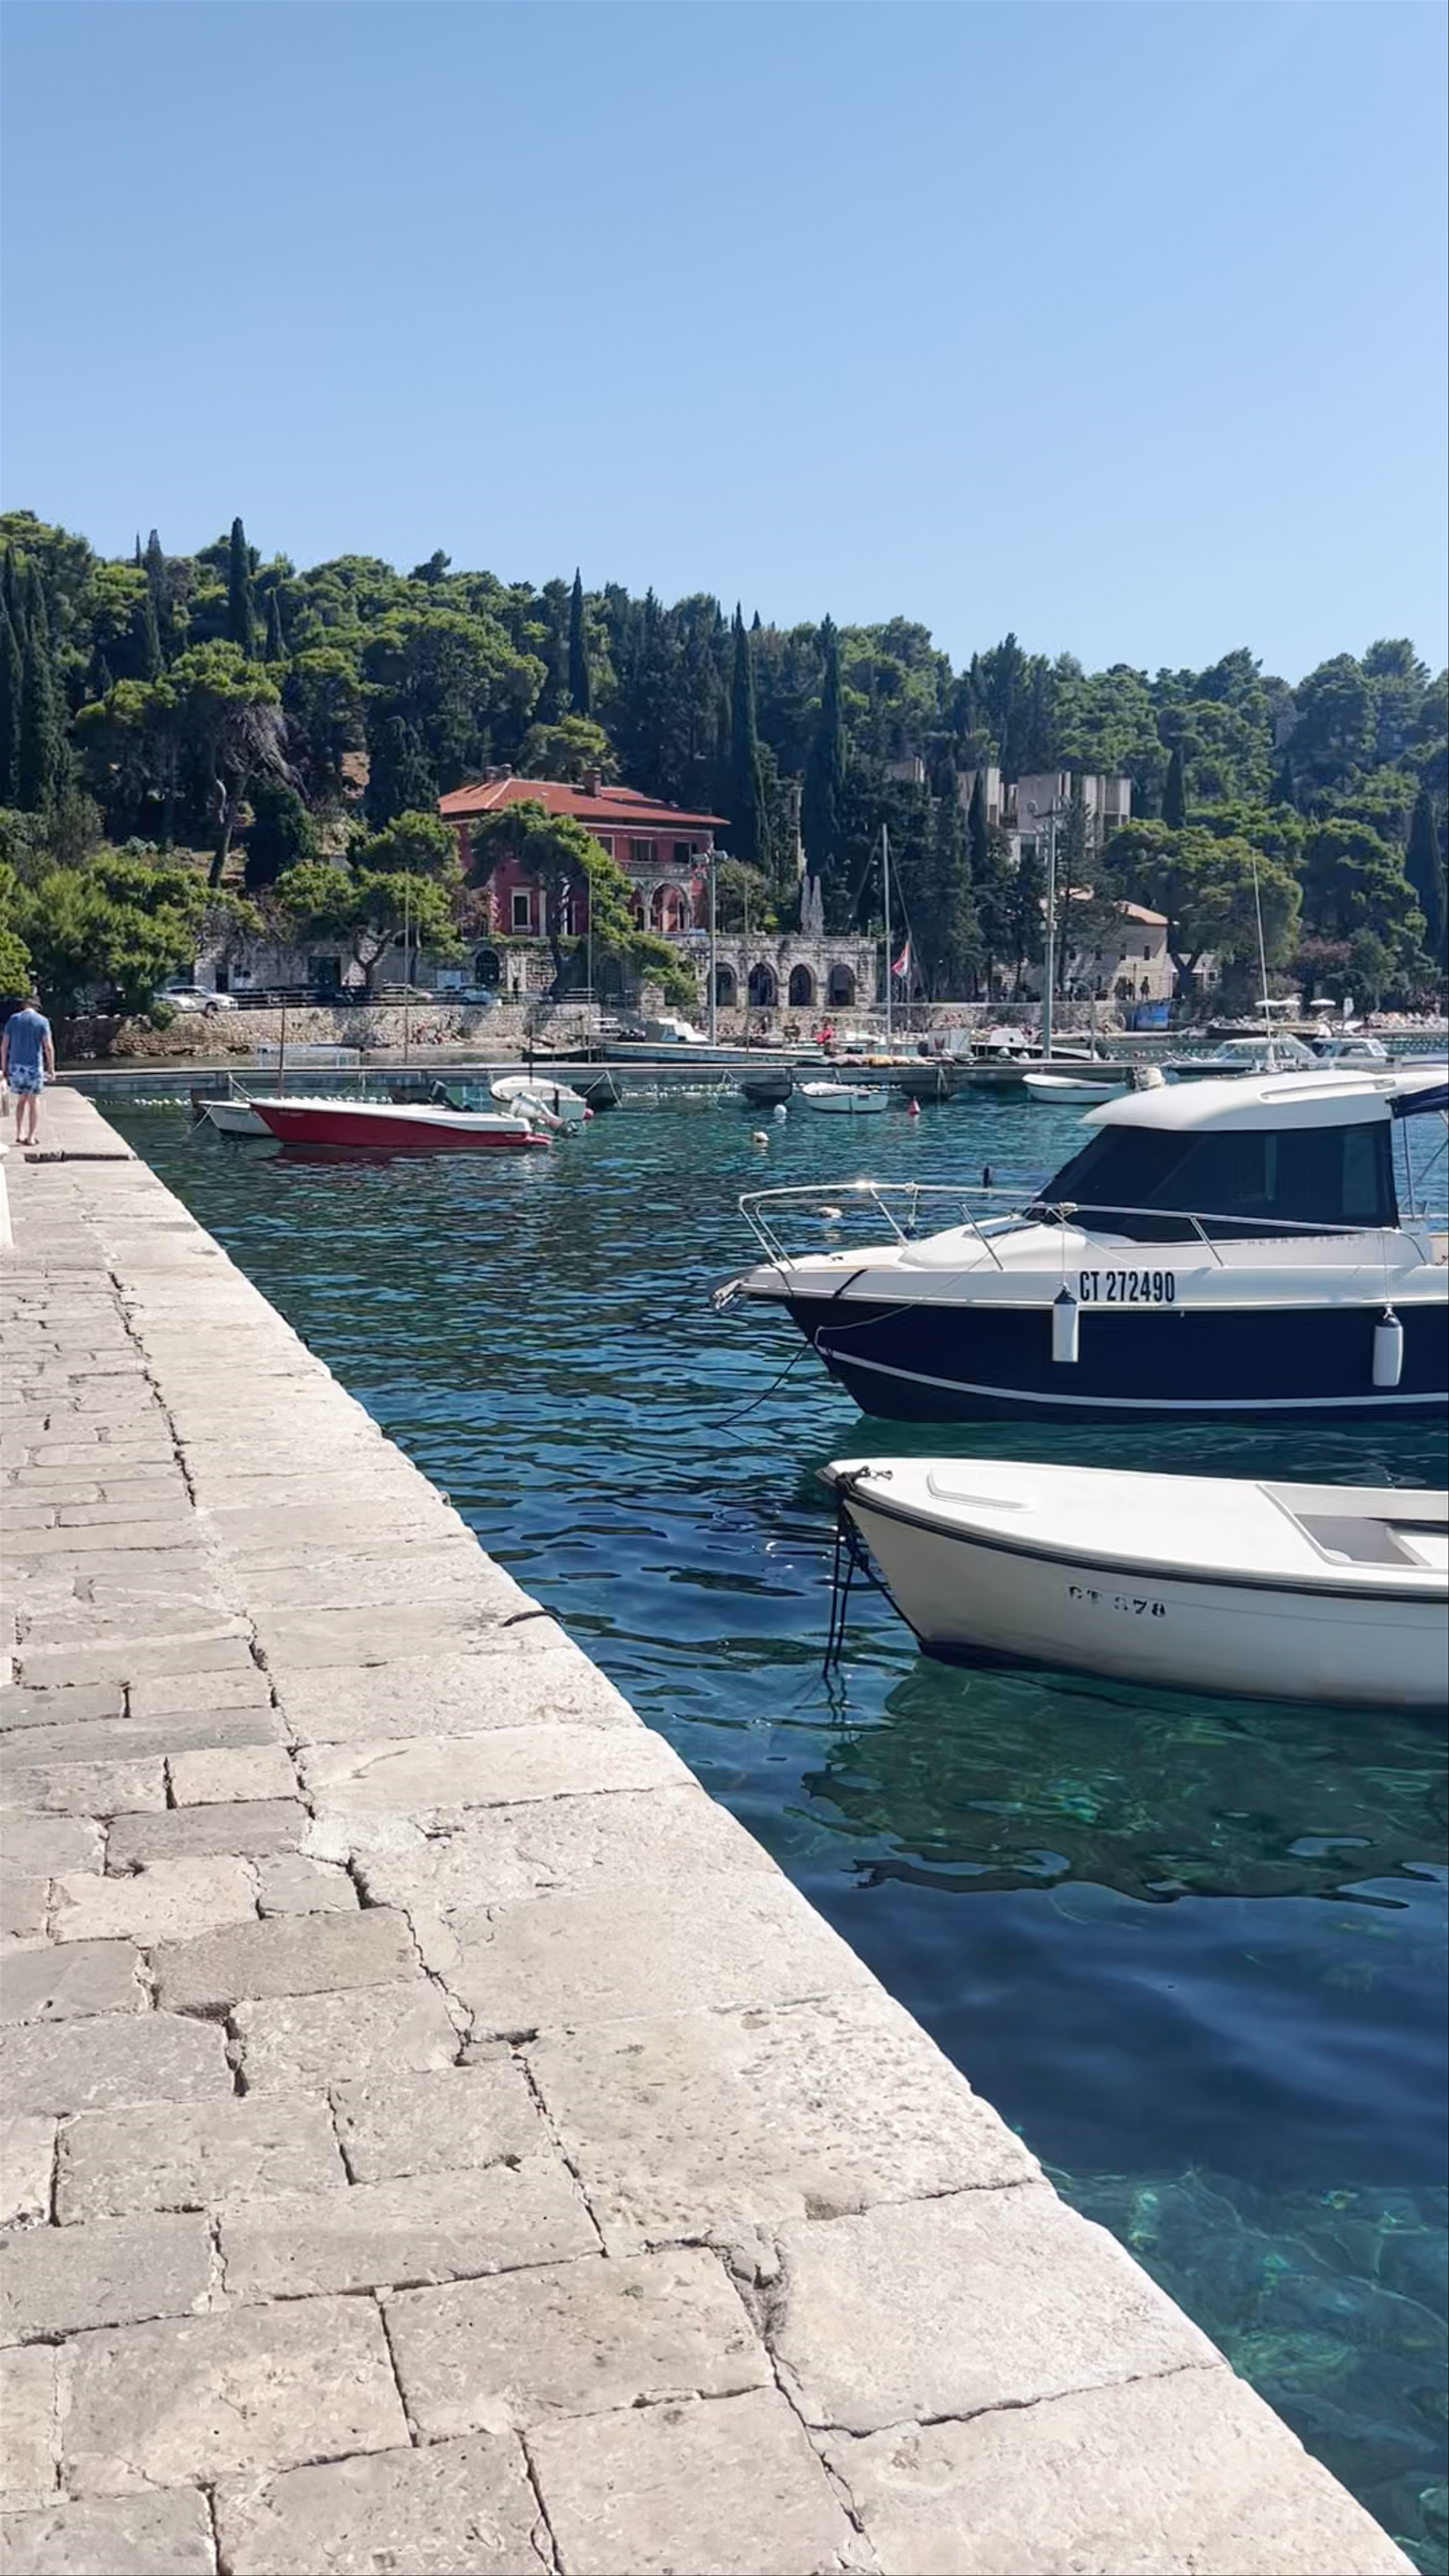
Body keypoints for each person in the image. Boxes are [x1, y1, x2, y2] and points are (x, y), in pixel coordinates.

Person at [2, 995, 55, 1146]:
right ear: (37, 1007)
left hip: (16, 1066)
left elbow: (4, 1046)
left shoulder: (14, 1020)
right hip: (34, 1067)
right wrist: (51, 1069)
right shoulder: (42, 1021)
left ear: (24, 1005)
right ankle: (31, 1137)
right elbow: (48, 1048)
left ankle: (20, 1133)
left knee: (21, 1101)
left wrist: (4, 1067)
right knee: (34, 1102)